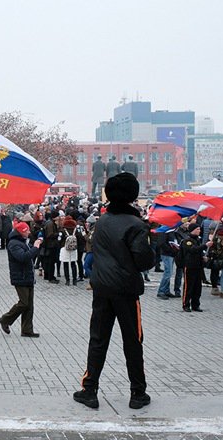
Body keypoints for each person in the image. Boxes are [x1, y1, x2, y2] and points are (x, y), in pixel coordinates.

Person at [73, 172, 155, 410]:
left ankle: (89, 389)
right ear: (132, 196)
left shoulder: (103, 221)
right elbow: (143, 262)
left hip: (101, 288)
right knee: (133, 340)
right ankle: (137, 393)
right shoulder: (137, 225)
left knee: (98, 339)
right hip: (126, 290)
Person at [0, 222, 43, 337]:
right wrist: (35, 247)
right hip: (20, 277)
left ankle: (27, 329)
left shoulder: (23, 242)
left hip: (27, 276)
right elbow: (23, 257)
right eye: (27, 230)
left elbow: (29, 256)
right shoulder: (14, 244)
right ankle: (5, 319)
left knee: (29, 305)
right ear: (21, 232)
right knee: (24, 303)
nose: (29, 232)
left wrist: (35, 247)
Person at [180, 223, 211, 312]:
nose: (199, 231)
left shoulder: (197, 240)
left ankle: (195, 305)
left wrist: (203, 257)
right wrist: (205, 245)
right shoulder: (187, 240)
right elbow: (193, 250)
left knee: (197, 287)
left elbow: (199, 251)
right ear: (192, 230)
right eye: (197, 229)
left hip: (198, 266)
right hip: (189, 266)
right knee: (188, 286)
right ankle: (186, 304)